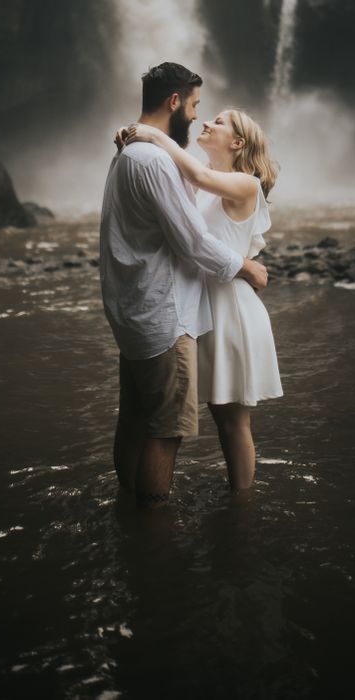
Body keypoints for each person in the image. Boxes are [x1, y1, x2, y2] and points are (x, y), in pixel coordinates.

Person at [99, 62, 268, 508]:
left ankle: (137, 512)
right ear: (174, 102)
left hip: (191, 311)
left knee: (147, 419)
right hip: (170, 313)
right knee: (167, 429)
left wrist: (144, 133)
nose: (198, 117)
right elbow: (193, 239)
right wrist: (247, 267)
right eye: (195, 107)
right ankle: (151, 528)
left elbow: (197, 187)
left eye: (211, 117)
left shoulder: (132, 154)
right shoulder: (154, 159)